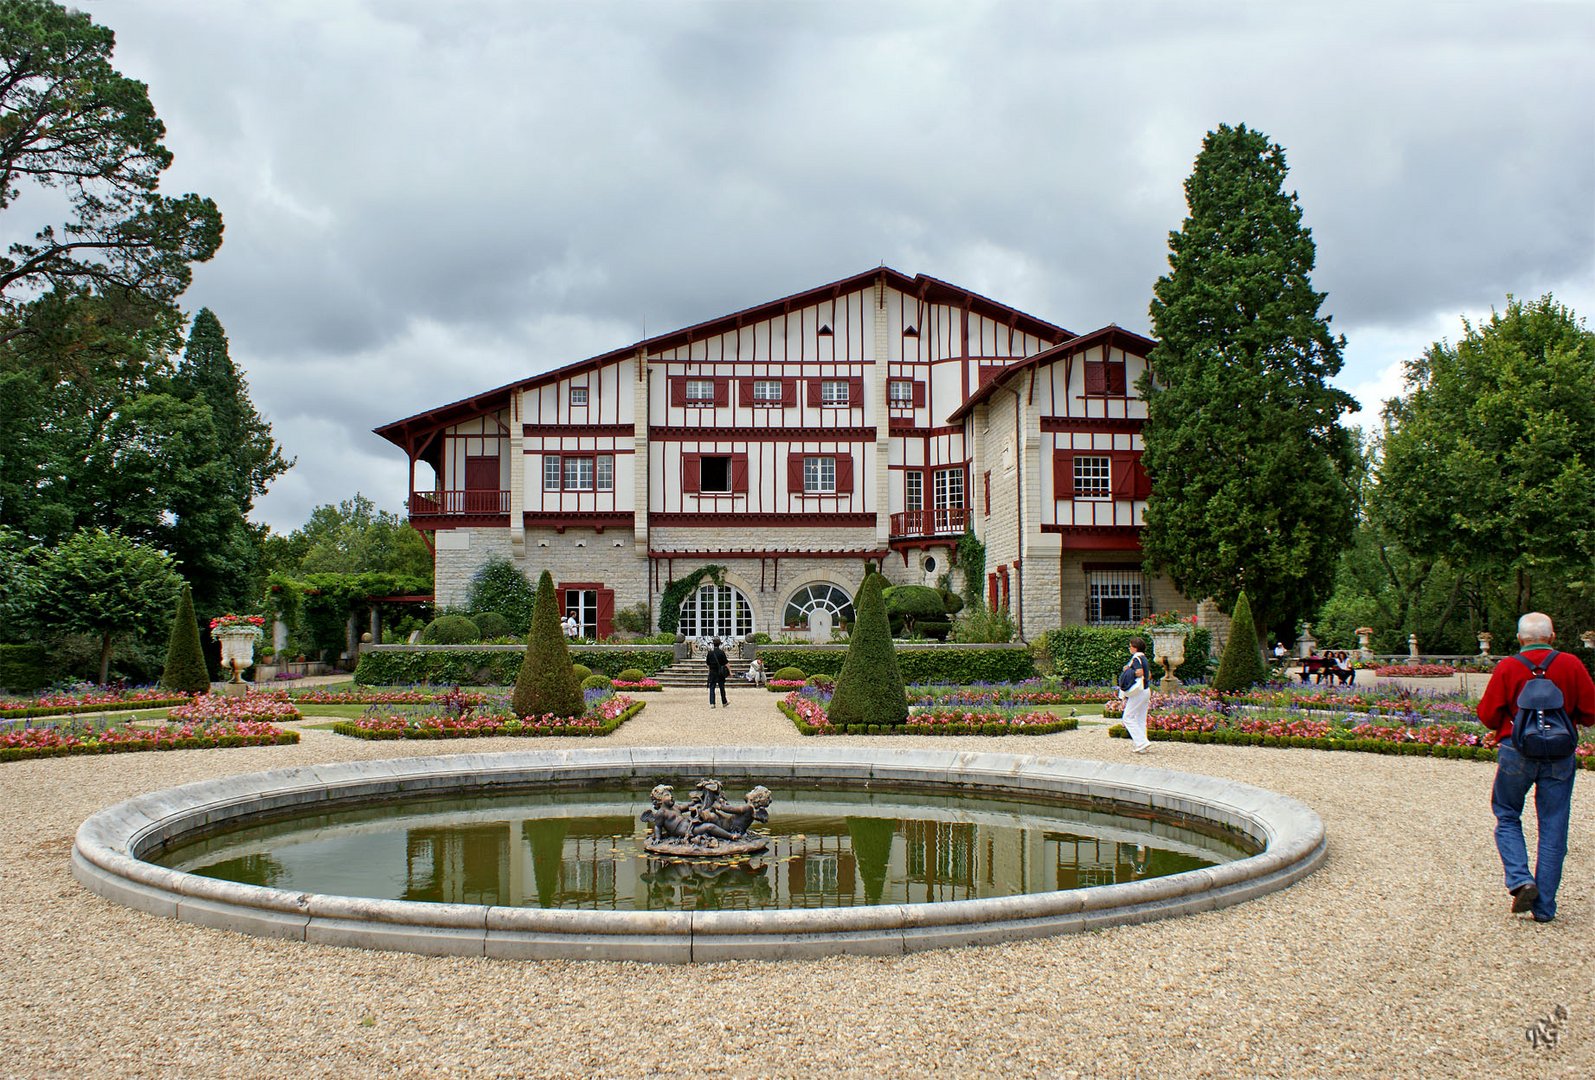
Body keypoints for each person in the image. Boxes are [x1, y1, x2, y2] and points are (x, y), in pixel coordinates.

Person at [1476, 612, 1595, 923]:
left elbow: (1488, 715)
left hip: (1517, 752)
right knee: (1554, 827)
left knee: (1506, 813)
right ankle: (1544, 908)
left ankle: (1520, 879)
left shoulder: (1508, 667)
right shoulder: (1570, 664)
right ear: (1552, 637)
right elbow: (1591, 712)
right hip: (1559, 756)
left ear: (1520, 639)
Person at [1117, 636, 1153, 754]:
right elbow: (1148, 674)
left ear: (1135, 648)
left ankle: (1141, 742)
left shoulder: (1136, 658)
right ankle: (1142, 746)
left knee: (1127, 717)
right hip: (1146, 690)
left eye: (1130, 646)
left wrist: (1129, 671)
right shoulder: (1144, 658)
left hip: (1138, 691)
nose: (1129, 648)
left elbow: (1140, 672)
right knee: (1140, 719)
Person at [704, 636, 730, 708]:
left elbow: (707, 664)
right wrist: (730, 672)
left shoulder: (710, 653)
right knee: (722, 688)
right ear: (719, 644)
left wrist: (710, 671)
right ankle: (724, 702)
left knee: (712, 687)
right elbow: (726, 663)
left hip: (712, 672)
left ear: (713, 644)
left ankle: (712, 703)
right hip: (720, 673)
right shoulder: (721, 652)